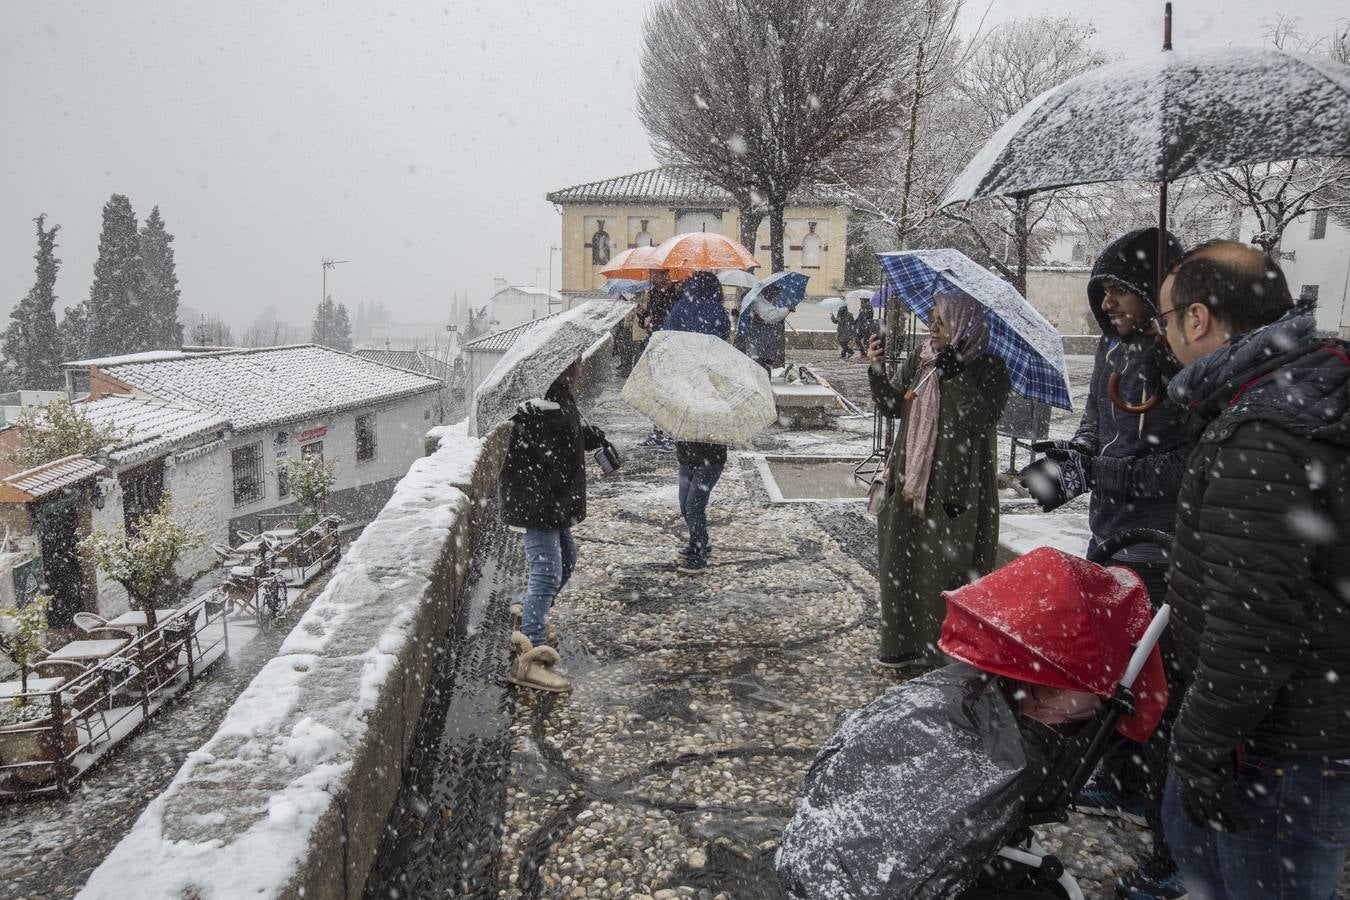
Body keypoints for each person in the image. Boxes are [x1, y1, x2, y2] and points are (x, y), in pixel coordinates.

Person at [1155, 241, 1350, 900]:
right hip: (1301, 727)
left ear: (1198, 318)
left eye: (1166, 318)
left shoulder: (1264, 432)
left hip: (1278, 746)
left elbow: (1254, 622)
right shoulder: (1304, 390)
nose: (1163, 335)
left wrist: (1203, 745)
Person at [1022, 228, 1188, 900]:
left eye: (1120, 290)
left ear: (1155, 290)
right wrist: (1068, 465)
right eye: (1102, 292)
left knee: (1158, 696)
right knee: (1111, 674)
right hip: (1111, 541)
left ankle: (1173, 850)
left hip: (1163, 552)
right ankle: (1121, 780)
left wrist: (1110, 470)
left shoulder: (1185, 360)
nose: (1109, 303)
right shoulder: (1113, 351)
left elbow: (1188, 464)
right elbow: (1097, 430)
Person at [867, 292, 1010, 668]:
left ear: (964, 322)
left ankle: (940, 655)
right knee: (901, 567)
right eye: (931, 315)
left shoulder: (990, 367)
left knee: (944, 575)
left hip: (952, 490)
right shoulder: (922, 358)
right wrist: (877, 369)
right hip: (910, 484)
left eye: (942, 318)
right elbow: (894, 404)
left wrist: (957, 375)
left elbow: (978, 418)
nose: (932, 323)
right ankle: (901, 646)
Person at [500, 359, 607, 693]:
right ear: (560, 366)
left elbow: (566, 437)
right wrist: (570, 439)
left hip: (553, 502)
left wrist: (588, 436)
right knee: (546, 573)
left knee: (567, 560)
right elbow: (546, 452)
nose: (580, 368)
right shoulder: (537, 405)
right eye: (575, 363)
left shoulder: (557, 395)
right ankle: (528, 656)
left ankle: (532, 612)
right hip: (540, 503)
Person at [661, 271, 733, 574]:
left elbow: (666, 340)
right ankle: (698, 542)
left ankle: (699, 552)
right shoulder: (719, 315)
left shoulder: (680, 310)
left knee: (689, 501)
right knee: (691, 501)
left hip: (693, 424)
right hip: (706, 431)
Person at [637, 269, 683, 451]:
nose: (651, 278)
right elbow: (647, 324)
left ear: (664, 275)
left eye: (654, 275)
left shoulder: (676, 294)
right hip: (655, 344)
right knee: (656, 392)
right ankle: (657, 432)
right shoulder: (654, 294)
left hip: (670, 347)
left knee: (670, 392)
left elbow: (672, 320)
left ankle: (671, 434)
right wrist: (642, 315)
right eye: (651, 275)